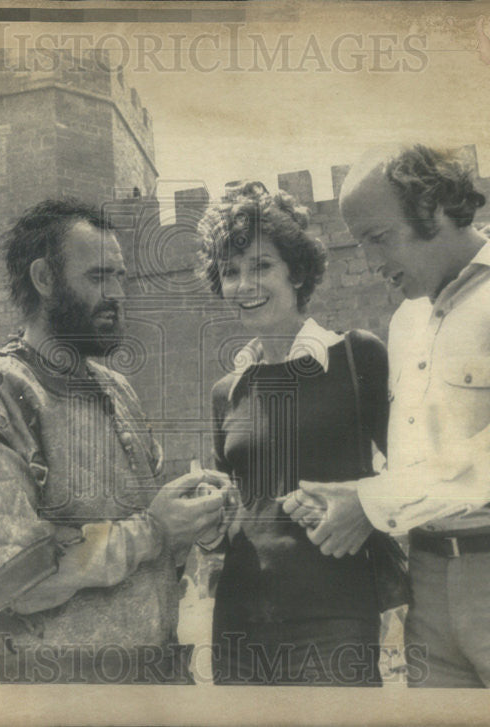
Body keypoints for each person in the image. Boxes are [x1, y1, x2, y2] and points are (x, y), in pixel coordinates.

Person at [284, 144, 490, 689]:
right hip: (428, 593)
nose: (369, 262)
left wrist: (370, 501)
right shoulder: (406, 320)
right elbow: (414, 459)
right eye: (359, 242)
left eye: (378, 237)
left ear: (432, 209)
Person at [0, 198, 231, 684]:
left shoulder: (118, 391)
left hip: (158, 684)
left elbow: (150, 555)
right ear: (44, 279)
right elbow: (18, 581)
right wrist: (154, 530)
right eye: (98, 278)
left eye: (120, 277)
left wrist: (191, 519)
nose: (117, 294)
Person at [197, 182, 392, 686]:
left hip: (334, 617)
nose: (244, 284)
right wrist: (209, 522)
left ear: (298, 271)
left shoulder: (356, 357)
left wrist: (364, 507)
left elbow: (411, 473)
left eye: (261, 266)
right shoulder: (227, 391)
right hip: (239, 619)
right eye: (230, 272)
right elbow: (241, 508)